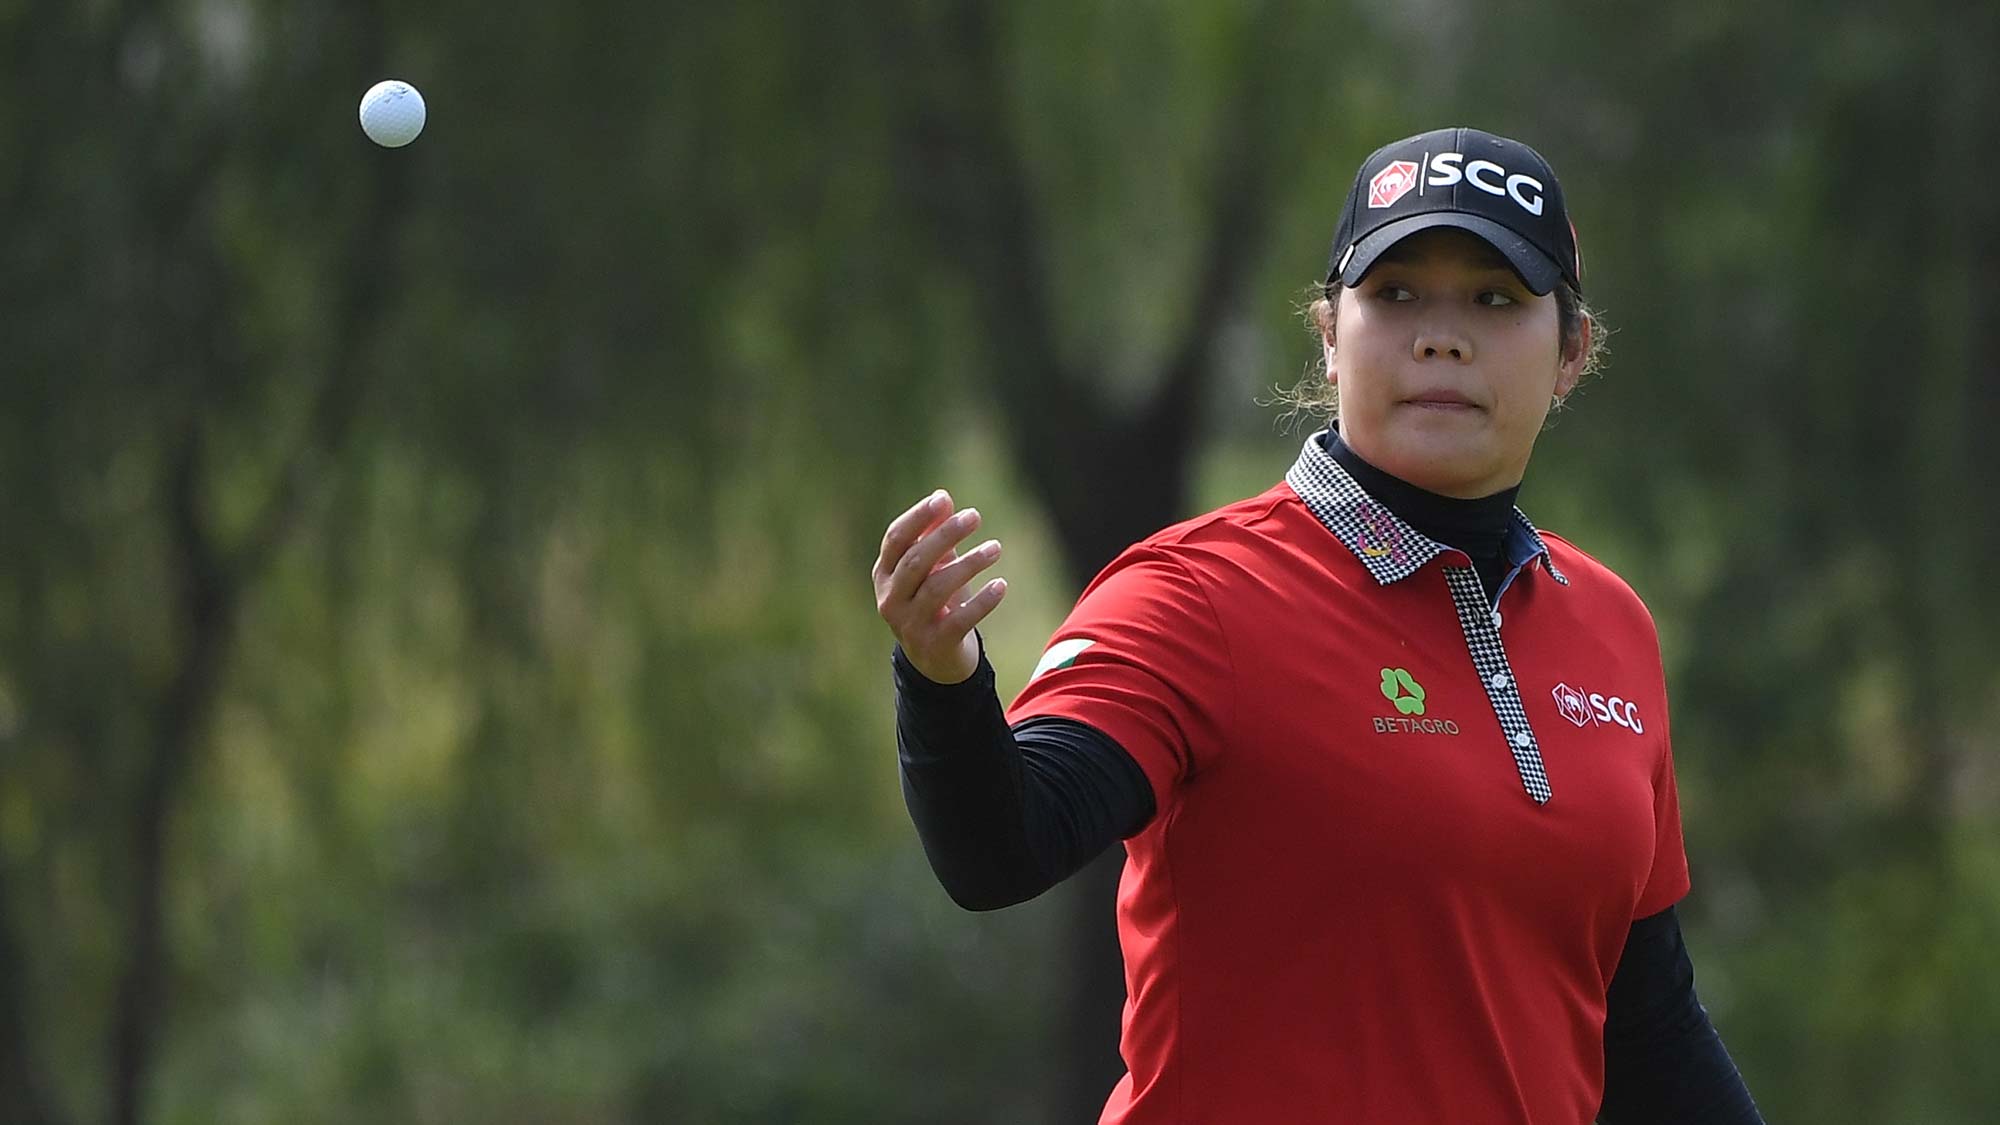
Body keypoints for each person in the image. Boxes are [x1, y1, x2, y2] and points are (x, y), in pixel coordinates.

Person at [872, 126, 1762, 1124]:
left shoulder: (1608, 626)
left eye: (1494, 300)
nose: (1439, 335)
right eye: (1393, 296)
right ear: (1329, 336)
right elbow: (1000, 849)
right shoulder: (1194, 595)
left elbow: (1644, 1023)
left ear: (1570, 352)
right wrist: (942, 683)